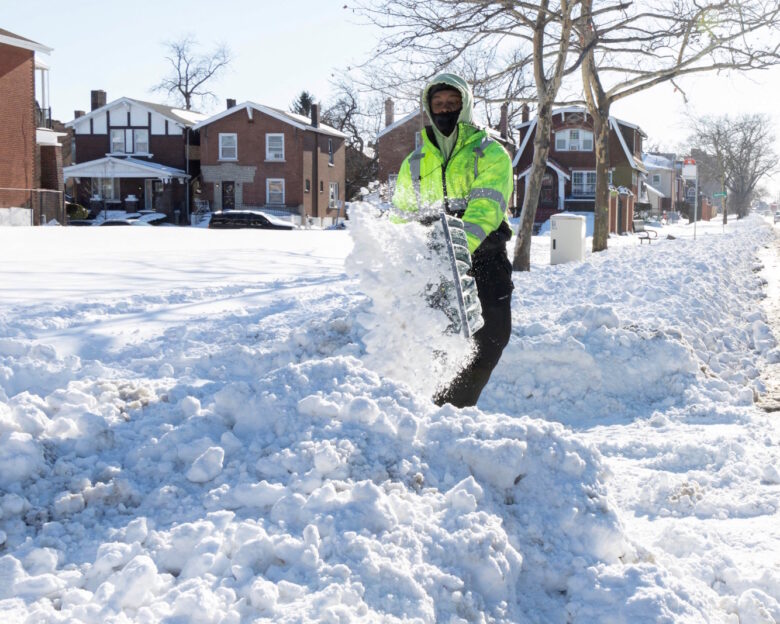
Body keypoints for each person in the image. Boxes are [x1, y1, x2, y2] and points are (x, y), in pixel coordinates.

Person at [392, 72, 514, 408]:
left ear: (465, 106)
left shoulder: (489, 153)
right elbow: (401, 217)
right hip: (433, 265)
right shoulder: (414, 163)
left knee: (490, 338)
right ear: (429, 109)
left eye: (452, 103)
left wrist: (456, 250)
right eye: (438, 104)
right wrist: (405, 261)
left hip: (485, 261)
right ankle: (430, 409)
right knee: (435, 343)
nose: (445, 109)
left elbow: (485, 209)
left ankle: (454, 410)